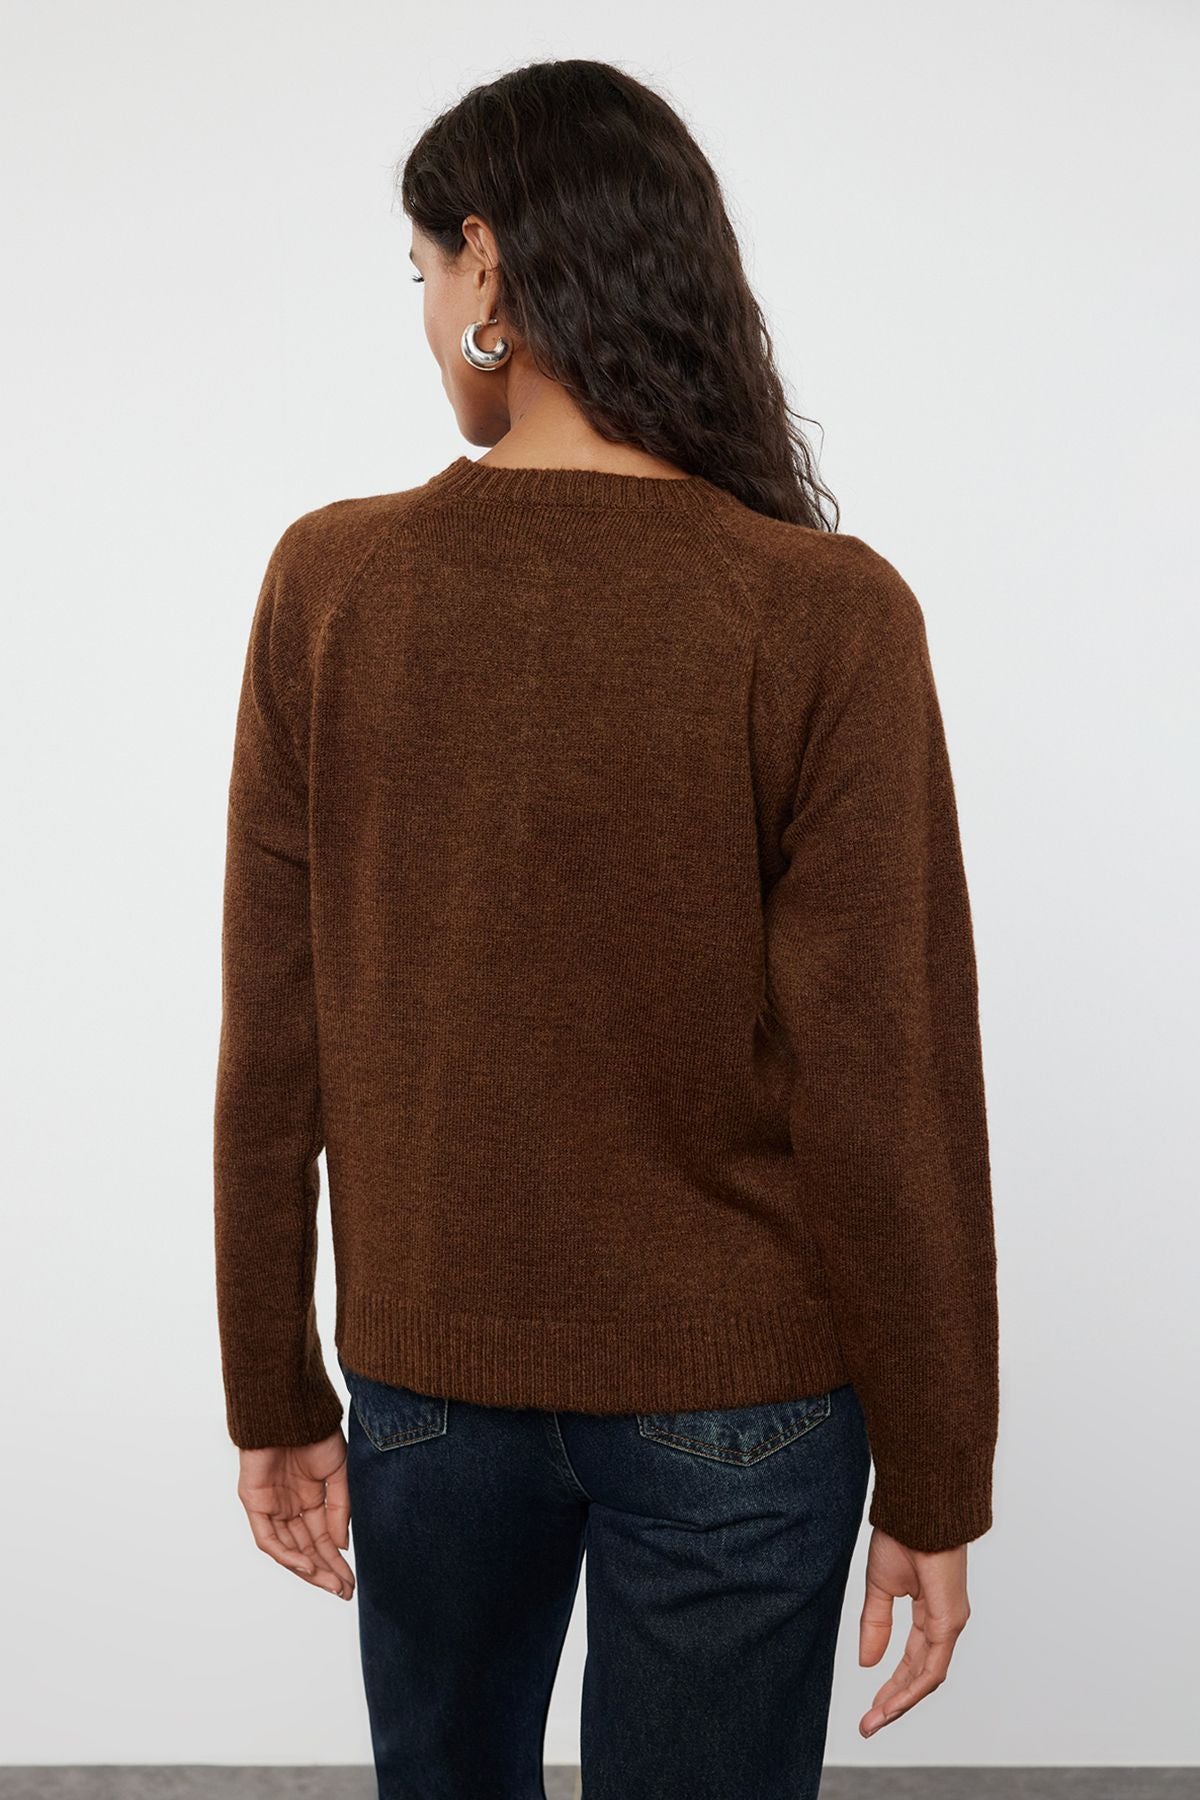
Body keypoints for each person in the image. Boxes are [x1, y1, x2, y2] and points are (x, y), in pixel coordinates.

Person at [213, 56, 1000, 1800]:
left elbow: (277, 1039)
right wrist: (940, 1472)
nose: (426, 314)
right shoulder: (824, 612)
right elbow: (884, 1087)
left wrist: (272, 1388)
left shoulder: (332, 586)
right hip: (745, 1399)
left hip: (426, 1384)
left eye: (422, 270)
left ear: (488, 265)